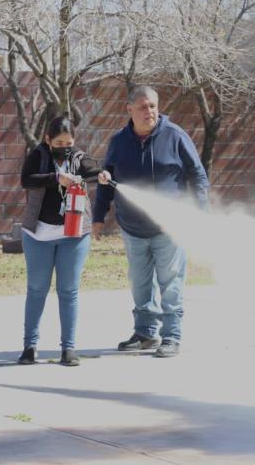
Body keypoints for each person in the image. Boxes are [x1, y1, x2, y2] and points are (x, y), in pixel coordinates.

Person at [93, 86, 209, 358]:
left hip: (170, 228)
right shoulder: (118, 141)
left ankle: (171, 336)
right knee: (140, 283)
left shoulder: (175, 136)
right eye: (144, 107)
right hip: (132, 228)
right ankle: (145, 333)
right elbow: (106, 180)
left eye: (154, 106)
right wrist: (98, 218)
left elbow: (198, 176)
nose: (150, 112)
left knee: (170, 283)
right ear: (129, 109)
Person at [18, 116, 102, 367]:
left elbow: (90, 168)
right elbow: (27, 179)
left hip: (73, 236)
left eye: (69, 141)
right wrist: (56, 179)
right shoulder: (39, 155)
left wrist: (102, 174)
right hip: (39, 235)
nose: (65, 146)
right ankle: (30, 345)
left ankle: (69, 348)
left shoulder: (77, 157)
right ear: (47, 140)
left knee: (68, 291)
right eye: (59, 142)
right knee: (36, 290)